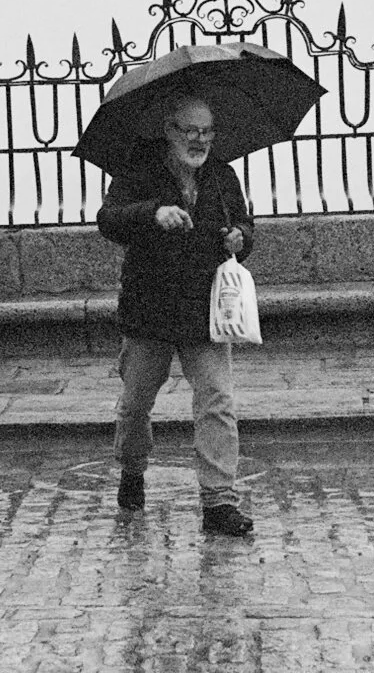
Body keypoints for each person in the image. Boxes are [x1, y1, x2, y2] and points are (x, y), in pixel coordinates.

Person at [96, 95, 255, 536]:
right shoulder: (140, 168)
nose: (200, 140)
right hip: (149, 309)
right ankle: (132, 470)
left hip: (206, 310)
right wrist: (153, 212)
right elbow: (108, 220)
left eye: (207, 132)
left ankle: (219, 501)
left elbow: (247, 225)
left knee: (217, 401)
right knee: (135, 407)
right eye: (191, 131)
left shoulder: (222, 175)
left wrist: (241, 237)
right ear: (169, 129)